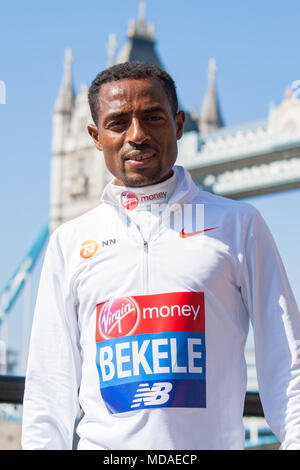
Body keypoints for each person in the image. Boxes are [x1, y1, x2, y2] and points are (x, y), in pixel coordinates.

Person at [22, 61, 300, 450]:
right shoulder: (69, 241)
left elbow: (287, 363)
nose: (137, 135)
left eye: (153, 118)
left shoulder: (240, 224)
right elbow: (48, 387)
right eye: (118, 123)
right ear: (95, 136)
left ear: (180, 124)